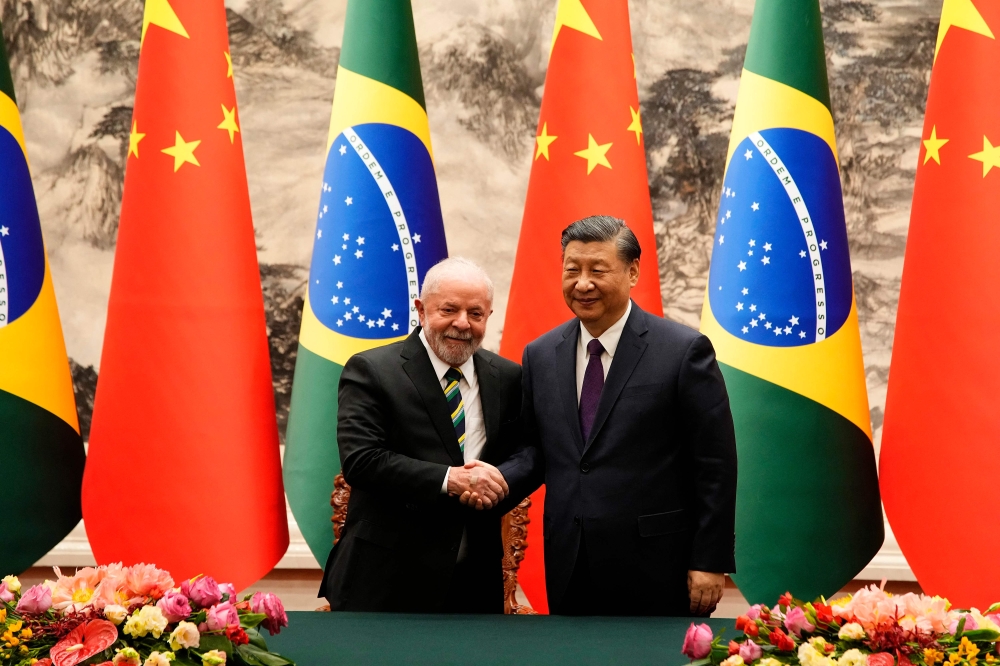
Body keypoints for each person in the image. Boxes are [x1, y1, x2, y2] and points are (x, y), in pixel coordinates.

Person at [490, 215, 738, 616]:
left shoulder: (683, 350)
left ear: (633, 270)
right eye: (572, 270)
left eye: (597, 270)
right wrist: (491, 483)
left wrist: (709, 560)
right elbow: (537, 450)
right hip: (569, 560)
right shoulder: (541, 354)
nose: (582, 283)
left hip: (657, 564)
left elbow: (715, 463)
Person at [320, 257, 521, 613]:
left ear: (489, 317)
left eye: (475, 313)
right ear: (421, 310)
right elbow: (361, 460)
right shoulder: (372, 370)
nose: (462, 323)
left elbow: (527, 453)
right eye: (449, 309)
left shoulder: (508, 377)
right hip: (385, 580)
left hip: (474, 583)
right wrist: (450, 480)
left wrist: (498, 482)